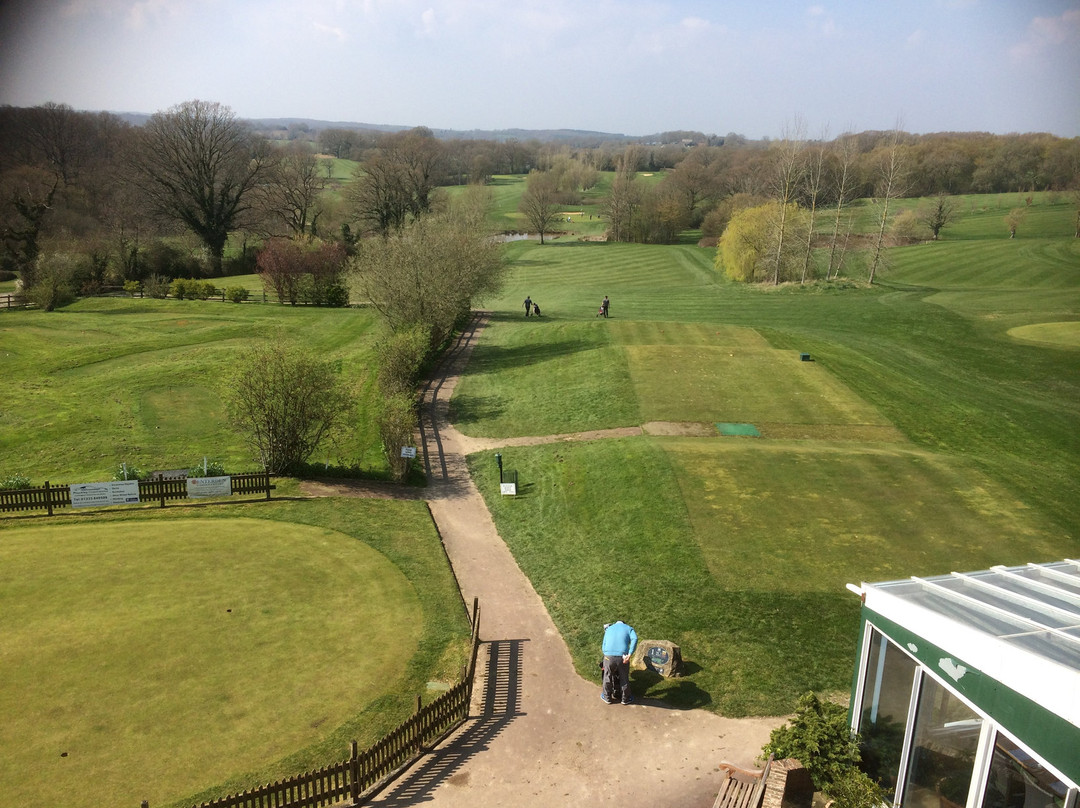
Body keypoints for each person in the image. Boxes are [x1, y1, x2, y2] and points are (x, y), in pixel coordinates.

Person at [600, 619, 637, 704]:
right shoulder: (628, 628)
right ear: (624, 623)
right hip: (623, 656)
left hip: (608, 656)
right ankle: (625, 699)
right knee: (624, 677)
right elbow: (635, 638)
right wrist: (630, 654)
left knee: (607, 676)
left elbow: (604, 644)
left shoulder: (609, 629)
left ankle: (607, 697)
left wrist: (606, 654)